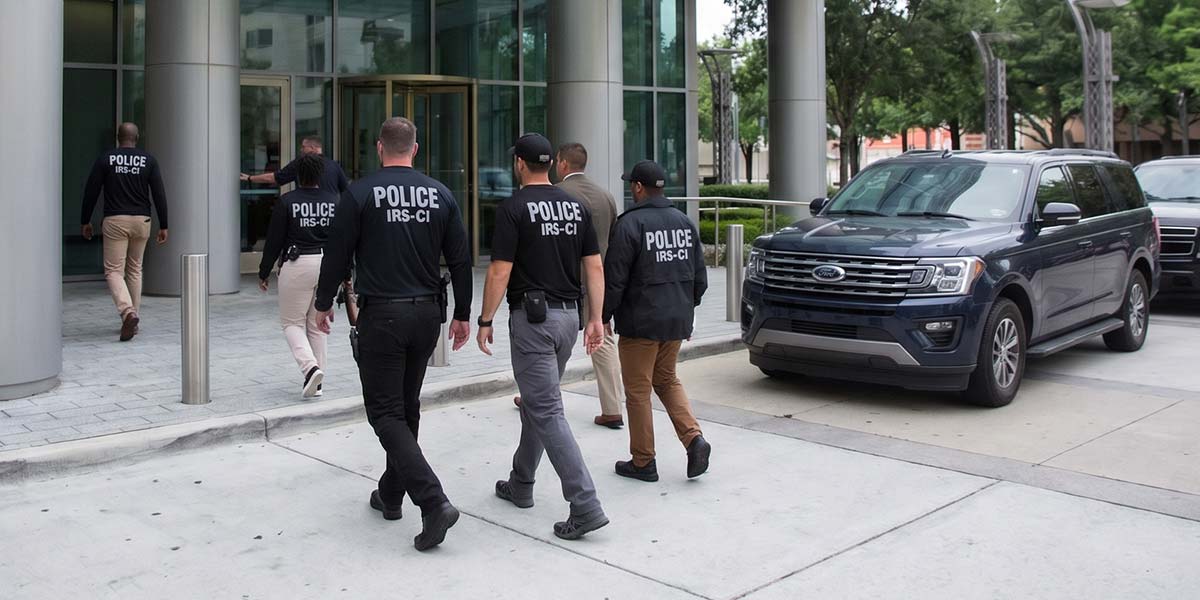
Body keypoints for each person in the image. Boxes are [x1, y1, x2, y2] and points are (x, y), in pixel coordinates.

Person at [313, 117, 472, 552]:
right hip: (426, 318)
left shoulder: (360, 193)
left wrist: (323, 303)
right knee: (406, 406)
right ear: (415, 150)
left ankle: (433, 501)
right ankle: (390, 492)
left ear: (380, 148)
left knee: (385, 414)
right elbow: (460, 258)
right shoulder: (440, 194)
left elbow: (337, 254)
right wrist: (463, 313)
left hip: (382, 316)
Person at [477, 133, 609, 541]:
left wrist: (485, 319)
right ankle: (521, 483)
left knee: (547, 408)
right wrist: (597, 319)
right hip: (569, 318)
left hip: (533, 322)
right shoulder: (576, 206)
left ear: (519, 163)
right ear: (550, 164)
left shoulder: (514, 208)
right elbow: (595, 267)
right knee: (540, 400)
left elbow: (499, 271)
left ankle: (585, 504)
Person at [603, 160, 711, 482]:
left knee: (637, 391)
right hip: (675, 321)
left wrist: (603, 316)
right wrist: (683, 307)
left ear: (637, 187)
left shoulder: (629, 225)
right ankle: (694, 439)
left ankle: (643, 461)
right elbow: (700, 278)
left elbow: (615, 280)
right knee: (666, 380)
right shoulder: (683, 222)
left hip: (641, 323)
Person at [555, 142, 624, 429]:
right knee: (604, 340)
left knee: (549, 343)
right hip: (599, 280)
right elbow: (613, 240)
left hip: (564, 280)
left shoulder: (557, 194)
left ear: (562, 164)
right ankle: (613, 408)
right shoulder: (606, 196)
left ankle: (537, 396)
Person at [80, 122, 169, 342]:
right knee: (135, 270)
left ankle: (127, 312)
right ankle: (133, 318)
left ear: (118, 138)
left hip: (116, 220)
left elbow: (91, 189)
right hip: (142, 221)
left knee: (113, 271)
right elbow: (159, 193)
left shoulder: (106, 159)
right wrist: (164, 224)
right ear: (136, 137)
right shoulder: (148, 160)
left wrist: (85, 220)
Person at [258, 154, 338, 399]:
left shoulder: (287, 201)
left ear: (297, 175)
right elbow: (343, 240)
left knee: (292, 323)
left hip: (298, 264)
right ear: (320, 175)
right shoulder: (335, 201)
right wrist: (345, 274)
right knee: (318, 323)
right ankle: (318, 380)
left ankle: (310, 369)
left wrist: (264, 272)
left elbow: (274, 241)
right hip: (327, 264)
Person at [240, 136, 350, 196]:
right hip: (330, 214)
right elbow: (346, 190)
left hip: (305, 214)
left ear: (312, 148)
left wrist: (250, 178)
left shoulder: (301, 163)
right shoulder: (334, 165)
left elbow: (275, 177)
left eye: (303, 147)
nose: (301, 150)